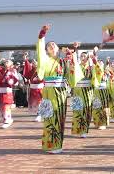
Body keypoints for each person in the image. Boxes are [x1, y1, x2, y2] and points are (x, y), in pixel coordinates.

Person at [36, 24, 80, 153]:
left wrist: (74, 52)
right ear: (47, 50)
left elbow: (72, 67)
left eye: (54, 45)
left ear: (58, 49)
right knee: (48, 116)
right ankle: (49, 144)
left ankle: (57, 144)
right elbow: (39, 49)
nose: (52, 46)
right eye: (49, 46)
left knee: (59, 117)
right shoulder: (44, 59)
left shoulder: (62, 61)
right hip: (48, 91)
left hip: (60, 91)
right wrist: (42, 34)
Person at [71, 48, 102, 138]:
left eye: (84, 56)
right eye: (81, 56)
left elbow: (99, 72)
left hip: (87, 91)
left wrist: (95, 61)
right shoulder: (77, 66)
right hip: (78, 91)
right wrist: (74, 50)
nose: (82, 57)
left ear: (88, 57)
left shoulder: (91, 67)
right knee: (77, 110)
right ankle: (78, 129)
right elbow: (71, 73)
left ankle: (84, 129)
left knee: (86, 110)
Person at [0, 53, 19, 129]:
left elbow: (15, 81)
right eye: (6, 62)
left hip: (7, 90)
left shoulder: (12, 71)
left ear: (11, 64)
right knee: (1, 106)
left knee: (6, 105)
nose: (6, 63)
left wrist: (9, 81)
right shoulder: (1, 70)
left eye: (8, 62)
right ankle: (7, 119)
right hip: (1, 90)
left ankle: (7, 120)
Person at [23, 53, 44, 122]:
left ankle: (39, 114)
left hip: (39, 88)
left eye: (35, 62)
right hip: (33, 89)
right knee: (35, 103)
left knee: (39, 102)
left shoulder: (41, 70)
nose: (34, 63)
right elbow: (27, 67)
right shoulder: (32, 70)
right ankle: (38, 114)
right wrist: (25, 58)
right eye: (33, 63)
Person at [91, 58, 110, 130]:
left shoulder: (105, 72)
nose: (99, 64)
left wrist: (107, 61)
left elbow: (107, 67)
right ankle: (97, 123)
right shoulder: (94, 71)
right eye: (98, 62)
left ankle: (103, 123)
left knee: (104, 108)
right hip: (96, 91)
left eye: (101, 63)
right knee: (96, 107)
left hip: (103, 91)